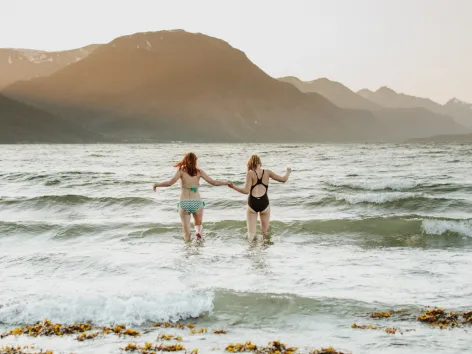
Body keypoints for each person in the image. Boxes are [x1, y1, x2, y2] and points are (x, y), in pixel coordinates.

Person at [153, 152, 230, 242]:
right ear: (195, 161)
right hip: (197, 203)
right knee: (198, 224)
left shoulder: (181, 171)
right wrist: (226, 182)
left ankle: (187, 252)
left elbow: (170, 183)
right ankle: (198, 235)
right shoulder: (199, 172)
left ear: (185, 160)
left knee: (186, 233)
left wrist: (157, 185)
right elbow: (213, 182)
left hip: (184, 203)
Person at [229, 155, 291, 240]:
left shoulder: (250, 173)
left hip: (252, 203)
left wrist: (233, 187)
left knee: (251, 235)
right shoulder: (267, 172)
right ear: (259, 162)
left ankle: (251, 251)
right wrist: (288, 171)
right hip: (264, 203)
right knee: (265, 233)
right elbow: (284, 179)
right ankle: (264, 252)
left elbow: (246, 191)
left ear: (250, 163)